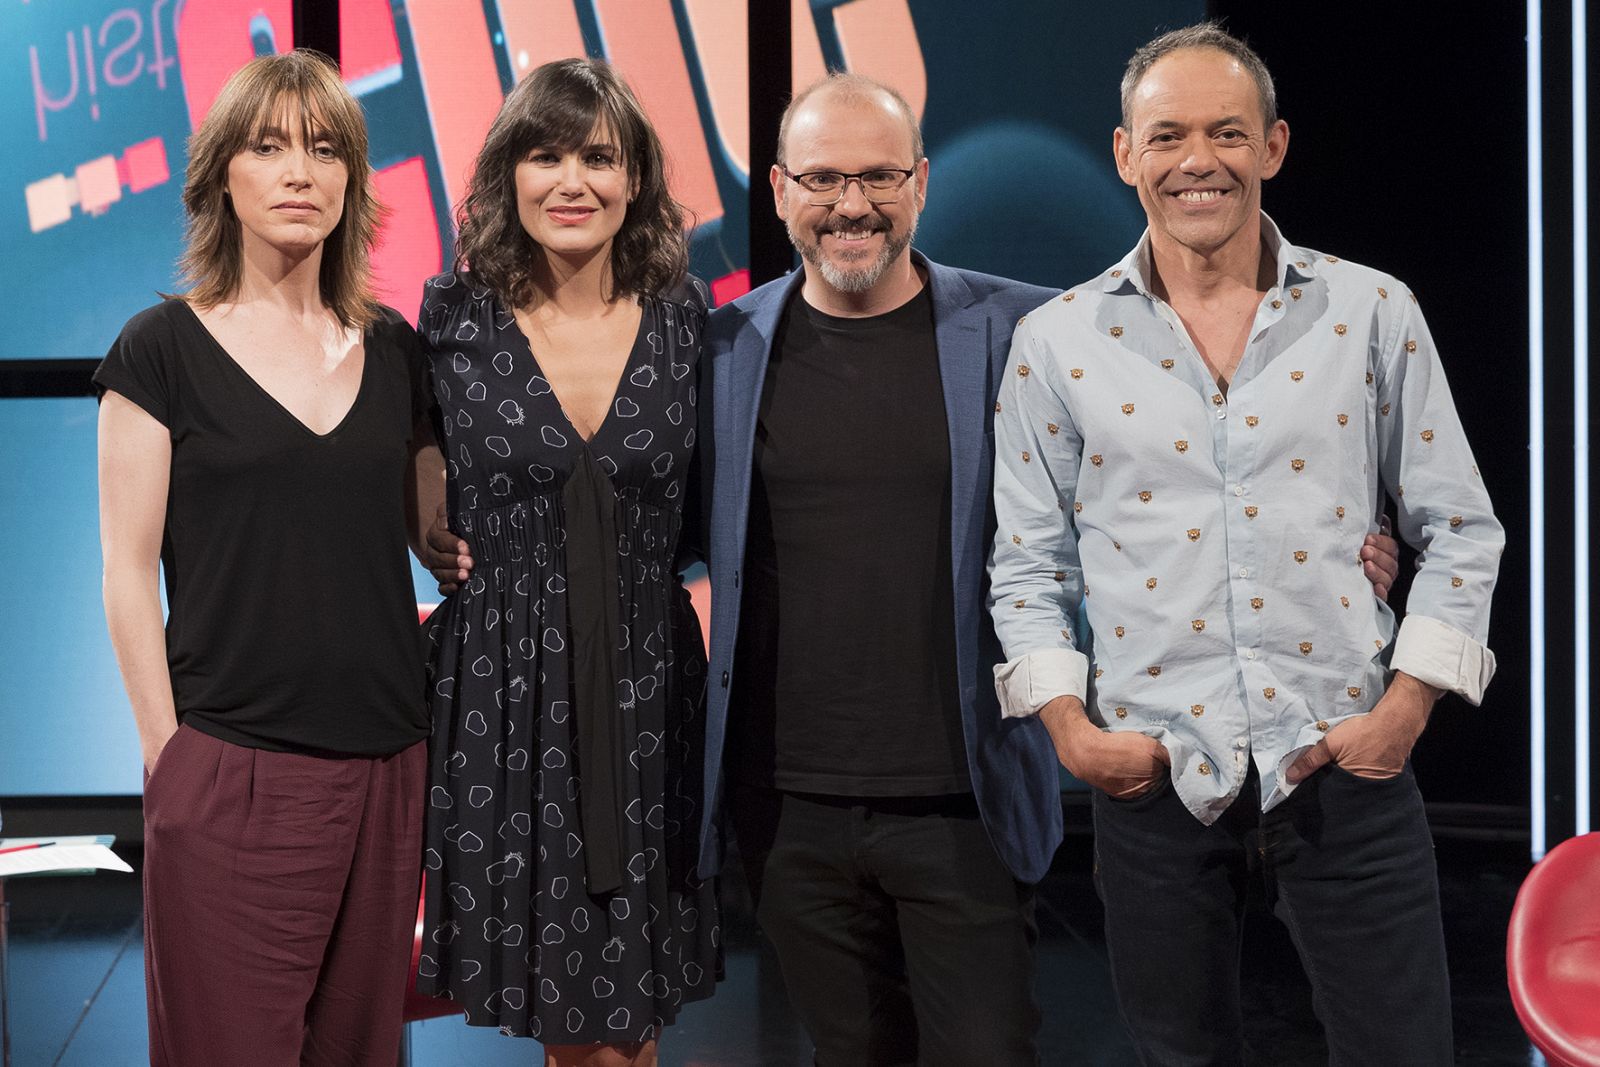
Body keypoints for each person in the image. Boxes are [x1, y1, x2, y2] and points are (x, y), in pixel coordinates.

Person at [428, 70, 1400, 1062]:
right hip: (785, 805)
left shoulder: (1031, 329)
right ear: (778, 189)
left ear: (921, 183)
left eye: (877, 176)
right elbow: (631, 511)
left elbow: (1187, 452)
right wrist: (445, 524)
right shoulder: (718, 344)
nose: (850, 203)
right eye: (822, 179)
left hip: (961, 803)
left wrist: (1339, 535)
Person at [988, 23, 1504, 1066]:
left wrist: (1403, 711)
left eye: (1226, 132)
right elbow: (1026, 564)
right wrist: (1072, 735)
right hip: (1154, 778)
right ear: (1126, 154)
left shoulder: (1371, 310)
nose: (1197, 160)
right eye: (1167, 134)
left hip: (1344, 764)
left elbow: (1457, 525)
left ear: (1270, 146)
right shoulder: (1059, 339)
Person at [97, 50, 431, 1065]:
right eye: (270, 144)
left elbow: (440, 536)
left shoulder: (398, 349)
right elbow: (124, 567)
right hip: (231, 771)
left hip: (388, 767)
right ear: (221, 178)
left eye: (326, 149)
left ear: (351, 182)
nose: (300, 171)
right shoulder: (159, 349)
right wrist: (173, 761)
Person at [410, 58, 719, 1066]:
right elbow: (405, 446)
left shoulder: (684, 319)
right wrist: (422, 514)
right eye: (545, 155)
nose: (571, 180)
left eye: (598, 156)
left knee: (629, 1011)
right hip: (505, 693)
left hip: (648, 684)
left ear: (635, 180)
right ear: (509, 174)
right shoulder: (453, 316)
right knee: (578, 1019)